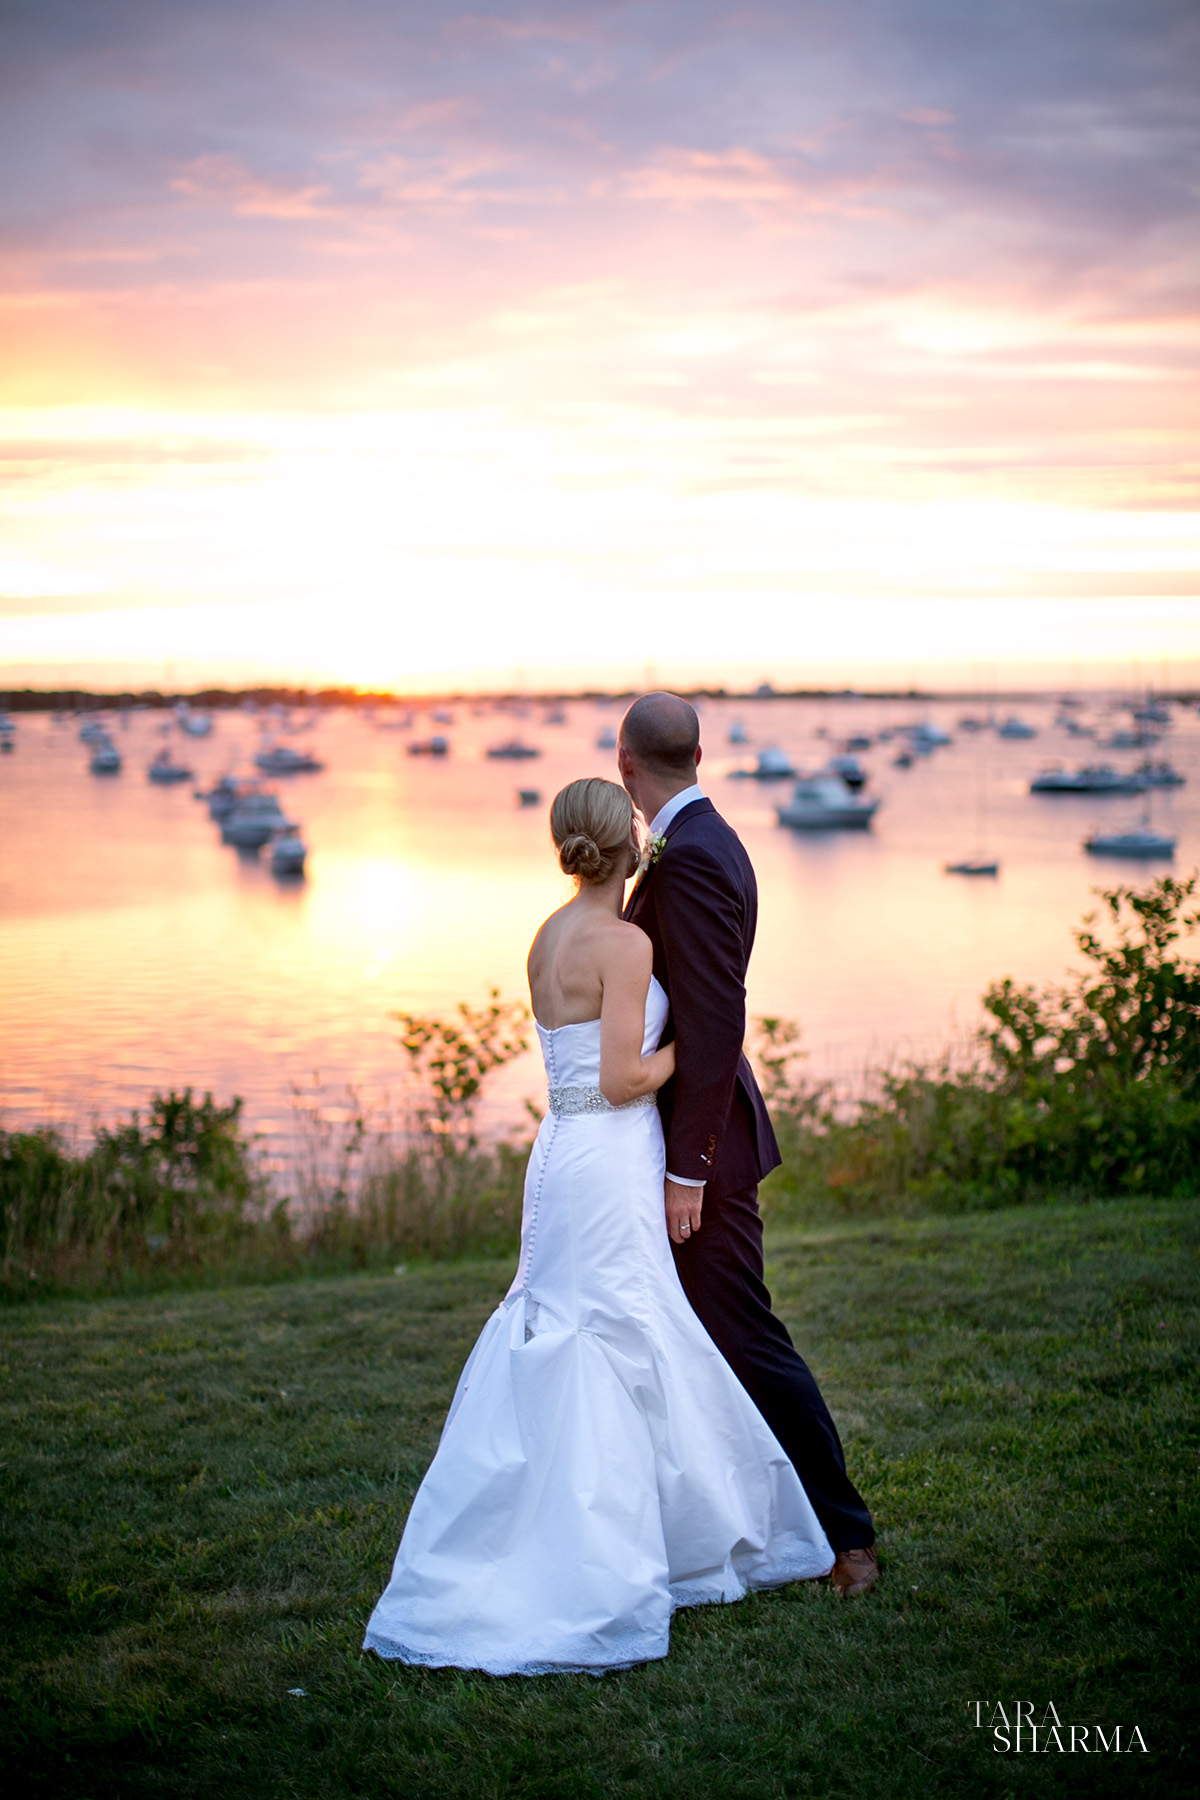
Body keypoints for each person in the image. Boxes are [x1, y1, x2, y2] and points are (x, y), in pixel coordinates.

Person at [363, 777, 833, 1676]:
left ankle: (573, 1525)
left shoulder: (546, 934)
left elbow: (576, 1063)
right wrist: (701, 1047)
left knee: (579, 1327)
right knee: (626, 1331)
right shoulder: (622, 943)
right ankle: (612, 1555)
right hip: (611, 1153)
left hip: (560, 1154)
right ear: (631, 846)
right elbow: (622, 1079)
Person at [618, 693, 879, 1597]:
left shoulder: (688, 857)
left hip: (707, 1155)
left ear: (627, 767)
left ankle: (849, 1539)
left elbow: (715, 1018)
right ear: (697, 754)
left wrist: (687, 1168)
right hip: (685, 1143)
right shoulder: (709, 838)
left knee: (746, 1337)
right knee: (699, 1338)